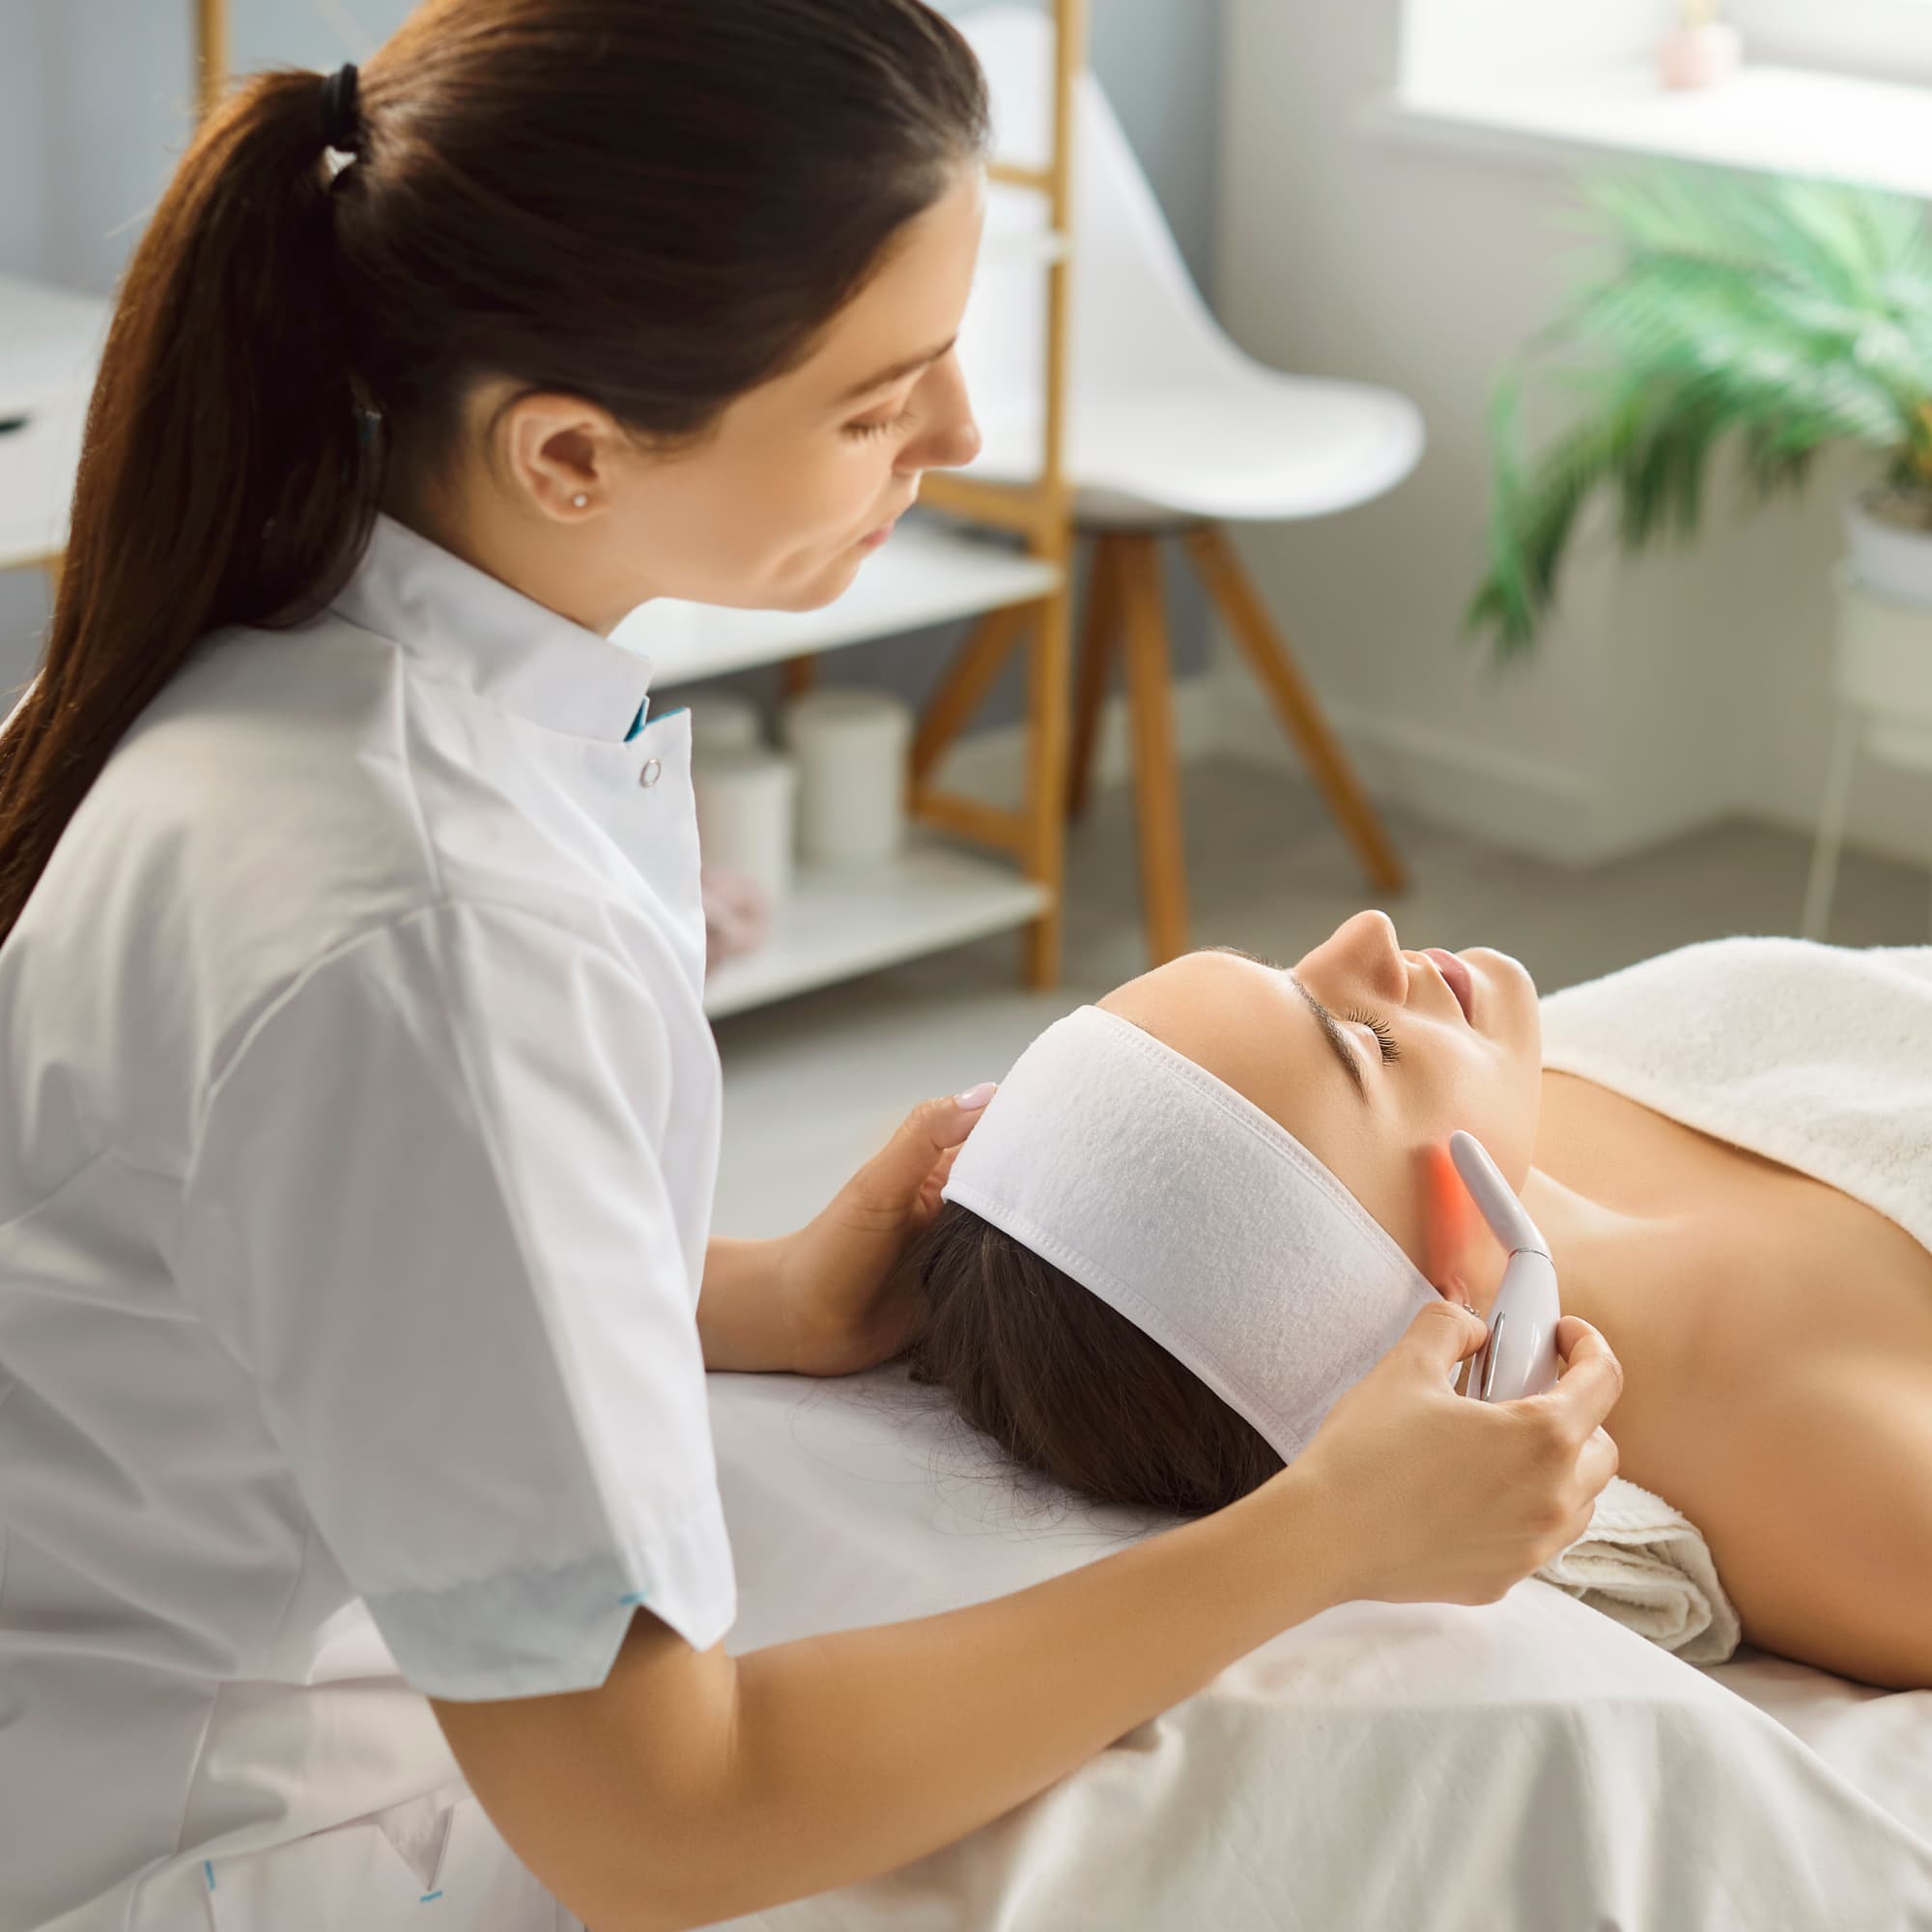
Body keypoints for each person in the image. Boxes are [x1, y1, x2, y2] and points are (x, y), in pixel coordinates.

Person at [0, 9, 1624, 1929]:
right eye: (879, 399)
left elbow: (255, 1251)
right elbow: (659, 1823)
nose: (959, 441)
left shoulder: (280, 659)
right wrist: (1318, 1538)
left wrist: (737, 1293)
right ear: (571, 452)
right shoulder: (436, 935)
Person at [905, 915, 1932, 1692]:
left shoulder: (1542, 1075)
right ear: (1448, 1295)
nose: (1367, 935)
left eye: (1280, 969)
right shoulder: (1854, 1495)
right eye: (1365, 1042)